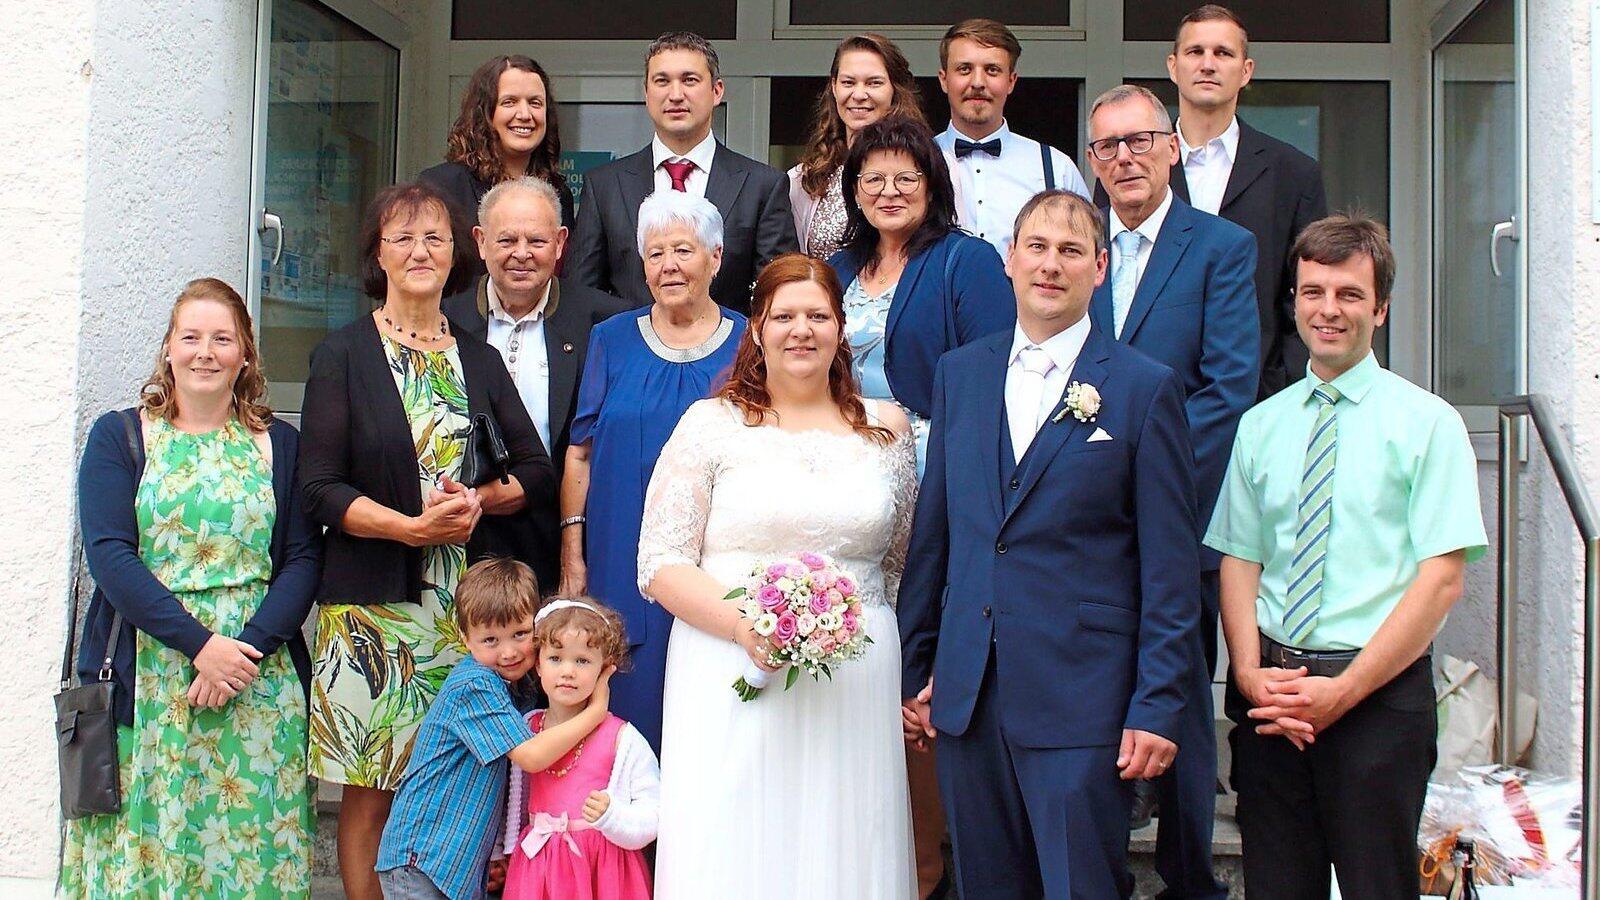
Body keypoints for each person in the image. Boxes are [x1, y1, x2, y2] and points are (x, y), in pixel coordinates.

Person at [899, 190, 1202, 899]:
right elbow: (936, 536)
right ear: (1009, 259)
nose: (1050, 265)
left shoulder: (1143, 388)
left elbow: (1170, 569)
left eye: (1071, 251)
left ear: (1100, 268)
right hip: (968, 697)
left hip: (1083, 700)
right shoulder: (960, 373)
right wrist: (918, 670)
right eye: (1036, 247)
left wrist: (1157, 704)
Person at [1205, 215, 1486, 900]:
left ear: (1380, 308)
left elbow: (1442, 580)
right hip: (1273, 706)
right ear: (1294, 302)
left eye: (1349, 294)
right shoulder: (1261, 425)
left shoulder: (1429, 425)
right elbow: (1240, 559)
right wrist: (1248, 673)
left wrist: (1346, 691)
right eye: (1313, 292)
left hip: (1376, 706)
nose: (1328, 309)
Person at [298, 181, 557, 900]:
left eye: (435, 238)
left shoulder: (477, 359)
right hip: (370, 612)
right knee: (372, 788)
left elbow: (535, 469)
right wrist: (411, 526)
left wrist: (479, 499)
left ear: (455, 255)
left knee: (455, 784)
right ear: (377, 255)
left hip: (463, 617)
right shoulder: (342, 354)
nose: (420, 251)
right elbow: (318, 488)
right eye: (403, 238)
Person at [638, 253, 918, 898]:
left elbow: (896, 564)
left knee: (846, 836)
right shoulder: (710, 425)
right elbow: (659, 562)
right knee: (737, 835)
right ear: (757, 329)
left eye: (818, 316)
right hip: (730, 663)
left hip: (856, 668)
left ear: (840, 328)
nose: (802, 330)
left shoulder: (887, 429)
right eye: (784, 316)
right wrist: (746, 626)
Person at [64, 278, 320, 898]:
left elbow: (303, 558)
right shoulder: (120, 438)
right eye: (191, 337)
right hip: (147, 672)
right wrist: (203, 647)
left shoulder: (280, 446)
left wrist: (243, 653)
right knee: (145, 850)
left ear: (245, 355)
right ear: (169, 349)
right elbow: (111, 557)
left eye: (222, 339)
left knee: (251, 849)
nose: (206, 352)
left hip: (257, 680)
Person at [1086, 82, 1257, 893]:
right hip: (1082, 520)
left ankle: (1192, 878)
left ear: (1169, 150)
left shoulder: (1220, 247)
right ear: (1094, 160)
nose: (1125, 157)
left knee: (1179, 697)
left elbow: (1228, 388)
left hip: (1176, 515)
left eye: (1140, 141)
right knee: (1094, 697)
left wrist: (1148, 481)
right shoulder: (1073, 245)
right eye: (1108, 146)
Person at [559, 190, 746, 752]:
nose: (669, 265)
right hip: (621, 559)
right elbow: (580, 453)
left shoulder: (752, 342)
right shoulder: (610, 339)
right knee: (628, 715)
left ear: (716, 257)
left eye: (683, 250)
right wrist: (573, 554)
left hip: (719, 563)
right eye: (655, 253)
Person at [375, 558, 617, 900]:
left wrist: (496, 850)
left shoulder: (517, 686)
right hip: (423, 856)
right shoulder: (475, 685)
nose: (508, 652)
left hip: (453, 860)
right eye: (490, 640)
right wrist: (595, 712)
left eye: (519, 634)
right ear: (465, 639)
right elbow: (532, 757)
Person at [444, 177, 630, 591]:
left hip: (565, 538)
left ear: (561, 243)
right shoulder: (446, 322)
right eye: (507, 240)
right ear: (480, 242)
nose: (522, 254)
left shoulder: (605, 323)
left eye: (537, 241)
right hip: (464, 539)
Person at [828, 115, 1015, 470]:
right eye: (874, 179)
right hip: (843, 461)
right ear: (855, 191)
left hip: (931, 463)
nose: (889, 191)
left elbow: (991, 383)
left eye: (906, 178)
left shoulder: (969, 261)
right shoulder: (838, 267)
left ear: (931, 187)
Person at [568, 31, 798, 313]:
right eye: (662, 81)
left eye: (689, 80)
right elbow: (582, 296)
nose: (676, 95)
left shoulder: (762, 186)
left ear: (717, 91)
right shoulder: (605, 186)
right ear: (646, 93)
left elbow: (779, 295)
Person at [1168, 5, 1327, 399]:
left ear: (1246, 70)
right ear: (1173, 67)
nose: (1208, 64)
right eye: (1195, 51)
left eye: (1223, 53)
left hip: (1260, 396)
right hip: (1154, 397)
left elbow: (1309, 289)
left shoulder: (1294, 172)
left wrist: (1288, 389)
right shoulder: (1134, 166)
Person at [501, 598, 659, 900]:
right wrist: (502, 849)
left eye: (583, 661)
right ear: (538, 664)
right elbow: (508, 801)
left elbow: (653, 813)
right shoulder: (526, 728)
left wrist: (613, 816)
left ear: (604, 669)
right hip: (538, 871)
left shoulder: (622, 738)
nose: (568, 671)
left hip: (603, 875)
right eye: (555, 658)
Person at [788, 33, 968, 261]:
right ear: (833, 87)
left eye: (874, 83)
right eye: (848, 82)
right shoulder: (805, 178)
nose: (859, 95)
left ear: (895, 89)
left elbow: (953, 249)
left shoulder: (938, 164)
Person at [933, 18, 1091, 256]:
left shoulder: (1056, 168)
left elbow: (1084, 253)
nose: (978, 82)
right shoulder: (918, 162)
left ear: (1011, 81)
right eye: (964, 69)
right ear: (944, 80)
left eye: (992, 70)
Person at [421, 55, 576, 282]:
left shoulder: (559, 194)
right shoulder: (440, 187)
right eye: (509, 102)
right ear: (485, 112)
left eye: (535, 103)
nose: (524, 115)